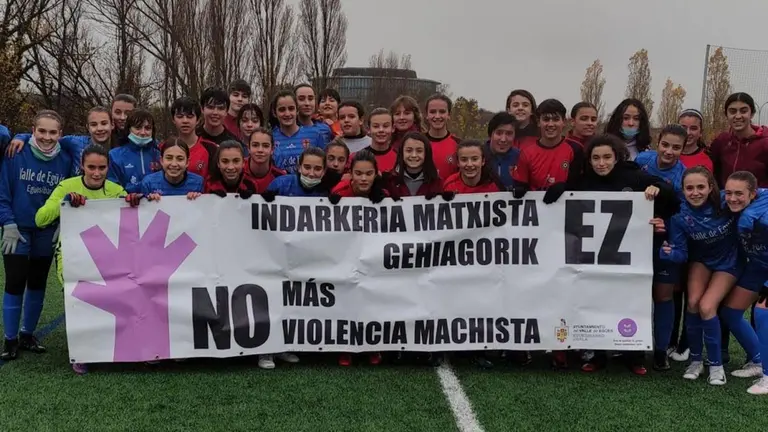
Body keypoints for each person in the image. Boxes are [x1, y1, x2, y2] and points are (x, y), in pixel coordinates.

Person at [543, 134, 678, 374]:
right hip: (594, 258)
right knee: (595, 300)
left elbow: (670, 195)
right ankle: (597, 354)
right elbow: (566, 195)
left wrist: (656, 189)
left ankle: (634, 355)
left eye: (606, 157)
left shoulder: (633, 176)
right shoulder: (583, 181)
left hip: (628, 257)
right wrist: (561, 188)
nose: (601, 163)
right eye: (596, 158)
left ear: (616, 157)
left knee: (630, 301)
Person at [34, 144, 139, 374]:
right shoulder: (67, 186)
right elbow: (40, 219)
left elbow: (136, 214)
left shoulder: (115, 189)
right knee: (80, 299)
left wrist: (132, 201)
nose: (96, 173)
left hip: (108, 257)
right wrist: (64, 202)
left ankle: (118, 345)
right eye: (91, 167)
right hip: (73, 255)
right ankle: (82, 353)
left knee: (115, 298)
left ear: (108, 167)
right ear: (82, 166)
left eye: (101, 168)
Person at [0, 110, 73, 361]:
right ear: (33, 130)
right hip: (17, 229)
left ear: (60, 134)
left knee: (38, 282)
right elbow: (3, 191)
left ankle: (27, 334)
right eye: (41, 131)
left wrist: (65, 221)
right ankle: (9, 339)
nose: (46, 137)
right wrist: (7, 222)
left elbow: (71, 191)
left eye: (53, 132)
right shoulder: (15, 152)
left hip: (46, 230)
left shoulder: (65, 158)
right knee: (15, 281)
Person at [660, 167, 738, 385]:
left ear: (711, 187)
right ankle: (695, 361)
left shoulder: (726, 201)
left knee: (706, 306)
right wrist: (667, 253)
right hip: (701, 261)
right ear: (683, 190)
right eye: (689, 188)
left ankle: (716, 365)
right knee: (693, 303)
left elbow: (754, 193)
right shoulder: (679, 216)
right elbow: (681, 254)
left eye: (701, 187)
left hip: (729, 261)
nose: (695, 192)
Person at [634, 125, 688, 371]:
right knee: (633, 291)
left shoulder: (683, 175)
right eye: (665, 144)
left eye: (676, 147)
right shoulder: (642, 160)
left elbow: (684, 212)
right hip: (633, 237)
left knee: (663, 295)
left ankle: (660, 350)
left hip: (664, 239)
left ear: (683, 149)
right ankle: (631, 345)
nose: (669, 151)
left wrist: (664, 224)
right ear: (658, 142)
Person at [719, 171, 765, 385]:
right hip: (756, 267)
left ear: (753, 194)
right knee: (730, 311)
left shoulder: (761, 216)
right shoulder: (727, 201)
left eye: (739, 193)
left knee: (762, 313)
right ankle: (758, 361)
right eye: (728, 192)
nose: (732, 198)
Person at [8, 106, 116, 175]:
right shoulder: (74, 143)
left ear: (112, 125)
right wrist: (22, 137)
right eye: (94, 124)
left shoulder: (118, 150)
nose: (99, 128)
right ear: (87, 127)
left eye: (104, 123)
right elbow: (49, 138)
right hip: (75, 204)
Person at [511, 99, 584, 195]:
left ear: (564, 121)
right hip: (537, 208)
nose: (550, 124)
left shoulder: (575, 149)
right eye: (546, 119)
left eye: (556, 119)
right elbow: (521, 185)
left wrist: (564, 187)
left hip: (566, 208)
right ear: (538, 122)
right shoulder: (526, 153)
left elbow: (579, 185)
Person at [710, 93, 768, 188]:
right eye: (732, 111)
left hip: (759, 201)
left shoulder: (765, 143)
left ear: (752, 114)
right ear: (726, 114)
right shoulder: (721, 141)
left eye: (743, 111)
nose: (738, 116)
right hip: (727, 200)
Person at [269, 90, 326, 174]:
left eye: (291, 108)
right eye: (282, 110)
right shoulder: (270, 138)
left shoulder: (315, 135)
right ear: (274, 113)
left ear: (297, 110)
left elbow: (324, 165)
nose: (287, 114)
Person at [107, 109, 161, 193]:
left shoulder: (160, 155)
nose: (143, 132)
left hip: (157, 204)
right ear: (129, 129)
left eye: (147, 128)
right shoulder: (114, 156)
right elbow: (112, 188)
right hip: (125, 204)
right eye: (138, 127)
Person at [170, 97, 218, 180]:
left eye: (190, 116)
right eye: (180, 116)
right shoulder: (163, 148)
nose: (185, 121)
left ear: (198, 120)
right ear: (173, 119)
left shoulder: (211, 149)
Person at [140, 138, 205, 200]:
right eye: (169, 158)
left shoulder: (198, 182)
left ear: (187, 162)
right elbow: (143, 209)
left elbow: (204, 208)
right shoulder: (148, 183)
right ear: (161, 160)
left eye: (180, 159)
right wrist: (151, 201)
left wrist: (197, 199)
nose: (174, 164)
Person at [385, 132, 444, 198]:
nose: (414, 155)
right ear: (402, 152)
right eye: (409, 150)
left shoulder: (436, 182)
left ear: (426, 153)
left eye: (419, 151)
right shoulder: (390, 180)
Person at [266, 147, 340, 198]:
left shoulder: (327, 192)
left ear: (324, 171)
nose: (311, 173)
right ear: (299, 167)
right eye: (307, 167)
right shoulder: (280, 184)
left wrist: (336, 206)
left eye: (317, 169)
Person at [425, 94, 460, 179]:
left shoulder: (459, 145)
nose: (437, 116)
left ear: (449, 115)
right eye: (432, 112)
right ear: (426, 115)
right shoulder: (417, 143)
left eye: (442, 112)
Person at [242, 128, 285, 192]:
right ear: (248, 148)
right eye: (255, 145)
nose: (260, 150)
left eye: (265, 146)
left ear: (272, 150)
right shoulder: (237, 170)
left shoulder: (280, 177)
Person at [485, 112, 520, 189]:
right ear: (490, 134)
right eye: (499, 133)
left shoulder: (521, 158)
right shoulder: (478, 156)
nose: (503, 139)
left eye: (509, 134)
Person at [359, 108, 397, 174]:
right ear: (369, 129)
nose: (381, 130)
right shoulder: (358, 157)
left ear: (393, 128)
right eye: (376, 126)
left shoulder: (399, 157)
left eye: (385, 126)